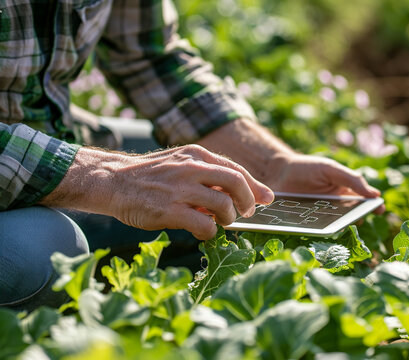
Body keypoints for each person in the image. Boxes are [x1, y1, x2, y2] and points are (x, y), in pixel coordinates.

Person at [0, 0, 383, 311]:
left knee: (197, 174)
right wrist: (108, 178)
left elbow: (151, 57)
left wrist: (268, 165)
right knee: (47, 250)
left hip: (51, 140)